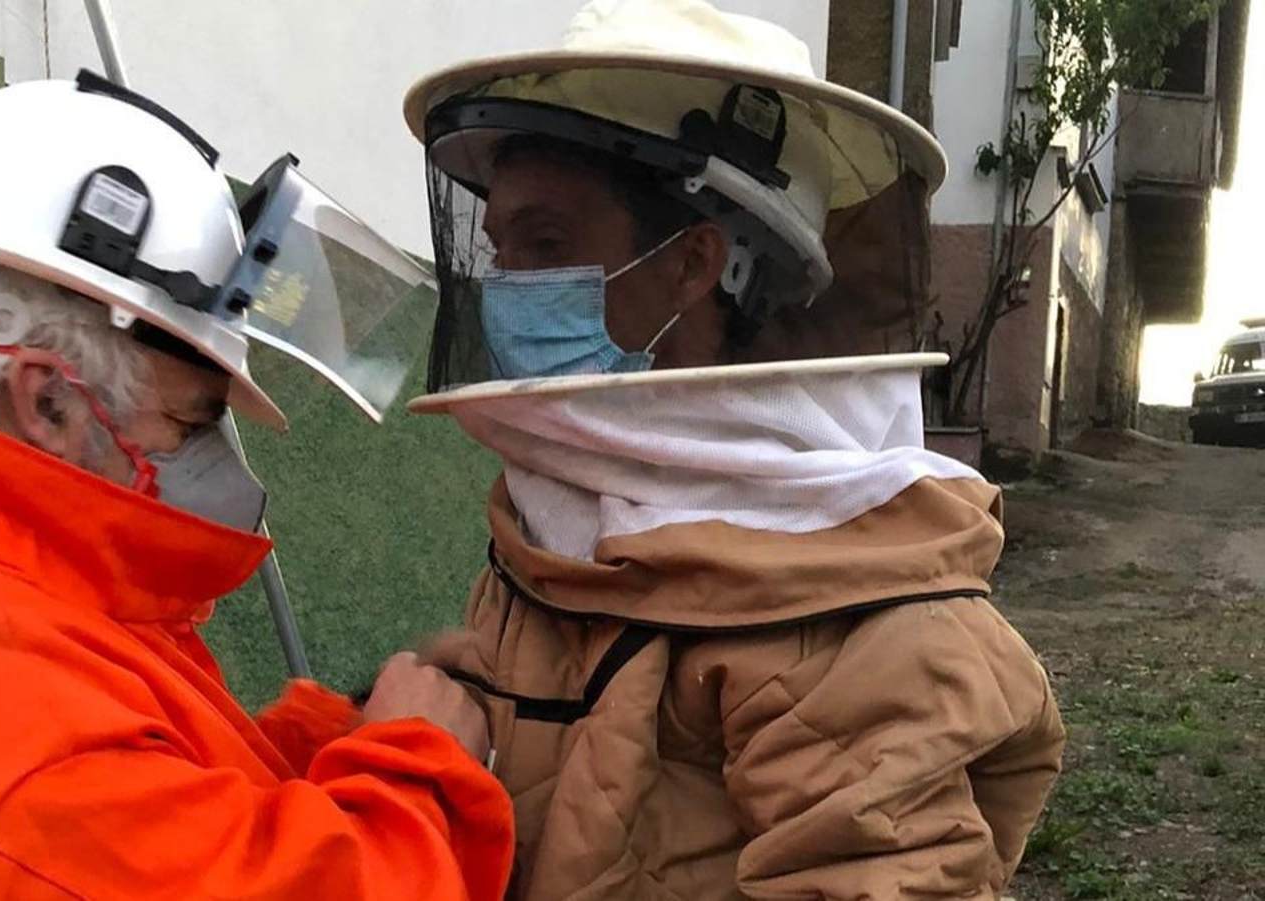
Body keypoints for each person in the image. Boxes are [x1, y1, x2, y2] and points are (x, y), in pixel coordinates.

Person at [0, 74, 512, 900]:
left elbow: (161, 812)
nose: (214, 459)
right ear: (49, 400)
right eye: (193, 420)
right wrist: (417, 767)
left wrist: (340, 730)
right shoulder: (1, 723)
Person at [402, 1, 1065, 898]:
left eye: (547, 243)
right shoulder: (561, 499)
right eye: (503, 246)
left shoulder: (837, 585)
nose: (507, 286)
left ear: (692, 263)